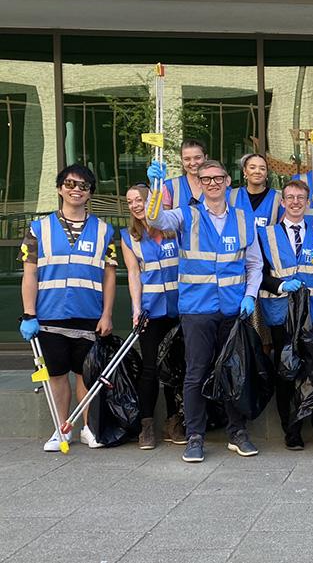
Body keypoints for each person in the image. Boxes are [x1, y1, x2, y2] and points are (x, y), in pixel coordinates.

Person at [146, 158, 263, 463]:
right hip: (197, 309)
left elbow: (255, 264)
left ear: (227, 181)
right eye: (206, 178)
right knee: (195, 374)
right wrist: (154, 189)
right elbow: (155, 220)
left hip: (233, 309)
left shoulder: (242, 217)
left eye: (218, 178)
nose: (212, 183)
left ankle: (237, 432)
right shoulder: (186, 215)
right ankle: (195, 436)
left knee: (233, 373)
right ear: (198, 183)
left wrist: (250, 295)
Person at [19, 164, 117, 452]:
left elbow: (110, 275)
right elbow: (30, 273)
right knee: (57, 375)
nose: (76, 189)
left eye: (83, 186)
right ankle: (61, 429)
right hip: (49, 316)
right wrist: (29, 314)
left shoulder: (104, 230)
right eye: (71, 184)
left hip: (89, 315)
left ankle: (88, 427)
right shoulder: (39, 228)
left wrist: (107, 313)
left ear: (90, 194)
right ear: (60, 188)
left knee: (86, 376)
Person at [257, 179, 313, 450]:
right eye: (289, 197)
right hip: (280, 314)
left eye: (300, 198)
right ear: (282, 202)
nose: (294, 202)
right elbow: (258, 274)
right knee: (286, 374)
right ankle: (291, 430)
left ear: (307, 201)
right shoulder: (266, 235)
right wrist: (280, 285)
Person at [120, 184, 183, 449]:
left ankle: (174, 421)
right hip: (151, 310)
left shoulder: (173, 230)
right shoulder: (128, 237)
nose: (135, 205)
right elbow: (134, 274)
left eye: (140, 199)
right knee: (150, 369)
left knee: (176, 367)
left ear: (152, 201)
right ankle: (147, 425)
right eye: (130, 201)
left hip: (179, 308)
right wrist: (136, 309)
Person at [229, 153, 282, 227]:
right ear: (245, 171)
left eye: (262, 168)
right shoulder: (232, 196)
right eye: (252, 167)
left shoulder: (277, 198)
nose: (257, 171)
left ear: (266, 173)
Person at [161, 138, 207, 209]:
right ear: (181, 160)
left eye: (197, 158)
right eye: (187, 159)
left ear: (205, 158)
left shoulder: (217, 185)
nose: (192, 163)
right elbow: (161, 218)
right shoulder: (169, 187)